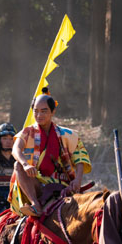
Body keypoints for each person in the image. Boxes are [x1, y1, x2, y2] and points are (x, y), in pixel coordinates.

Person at [9, 88, 92, 217]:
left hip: (62, 183)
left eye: (44, 111)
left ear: (53, 111)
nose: (39, 115)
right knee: (18, 166)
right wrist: (26, 164)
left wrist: (78, 180)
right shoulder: (27, 132)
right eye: (35, 111)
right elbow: (16, 149)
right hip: (35, 182)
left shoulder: (67, 135)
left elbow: (80, 156)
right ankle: (35, 204)